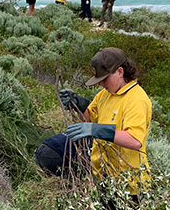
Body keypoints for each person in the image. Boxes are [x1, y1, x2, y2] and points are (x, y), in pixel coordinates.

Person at [58, 47, 152, 195]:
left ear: (120, 72)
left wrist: (97, 130)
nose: (100, 84)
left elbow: (134, 140)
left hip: (129, 186)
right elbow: (90, 117)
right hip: (104, 177)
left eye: (104, 79)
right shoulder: (105, 95)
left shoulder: (136, 99)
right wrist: (77, 103)